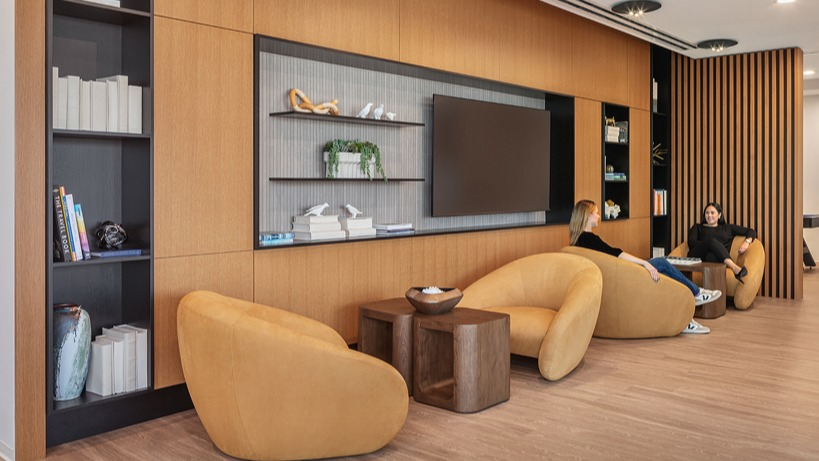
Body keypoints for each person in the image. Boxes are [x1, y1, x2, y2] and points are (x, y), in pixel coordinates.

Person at [569, 199, 720, 334]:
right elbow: (616, 253)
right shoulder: (589, 238)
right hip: (622, 274)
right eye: (596, 213)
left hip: (614, 274)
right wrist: (644, 262)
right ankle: (697, 294)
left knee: (664, 278)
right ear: (588, 216)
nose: (599, 216)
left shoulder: (577, 241)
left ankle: (685, 319)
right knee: (661, 263)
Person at [688, 202, 756, 284]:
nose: (709, 215)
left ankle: (715, 294)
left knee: (711, 256)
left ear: (719, 215)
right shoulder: (697, 227)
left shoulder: (728, 228)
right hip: (697, 257)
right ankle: (734, 267)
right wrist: (708, 245)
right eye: (707, 213)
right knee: (710, 241)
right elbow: (691, 243)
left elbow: (751, 231)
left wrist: (746, 242)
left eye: (712, 213)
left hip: (717, 260)